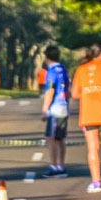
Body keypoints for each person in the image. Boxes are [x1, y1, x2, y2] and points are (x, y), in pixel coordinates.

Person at [71, 43, 101, 193]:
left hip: (88, 114)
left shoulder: (81, 69)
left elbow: (75, 94)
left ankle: (96, 182)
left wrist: (89, 93)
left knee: (93, 147)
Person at [40, 45, 70, 178]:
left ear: (47, 58)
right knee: (60, 138)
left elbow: (50, 90)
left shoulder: (51, 71)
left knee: (50, 138)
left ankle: (54, 166)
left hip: (55, 108)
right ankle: (61, 165)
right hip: (63, 106)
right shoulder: (63, 69)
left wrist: (45, 109)